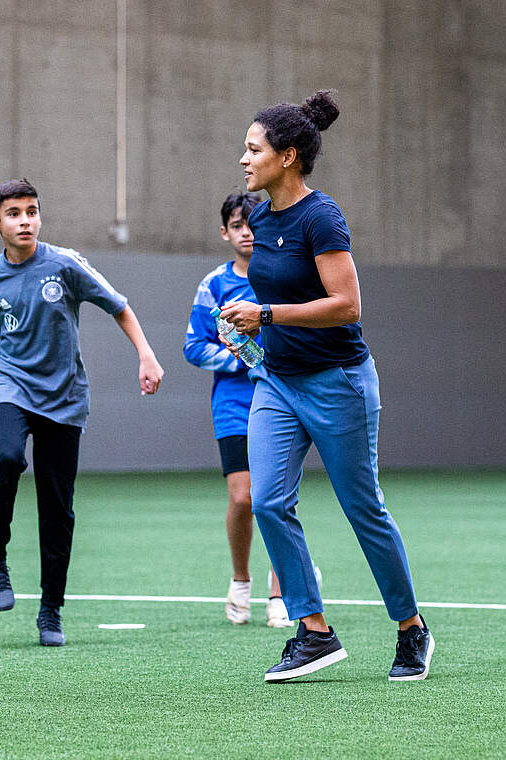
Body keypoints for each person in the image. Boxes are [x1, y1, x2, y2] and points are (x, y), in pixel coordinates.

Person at [222, 90, 432, 682]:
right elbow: (273, 288)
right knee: (266, 501)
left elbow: (346, 306)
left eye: (253, 148)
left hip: (338, 383)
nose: (244, 158)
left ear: (287, 157)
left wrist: (265, 316)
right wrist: (244, 316)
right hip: (277, 381)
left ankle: (411, 628)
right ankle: (313, 631)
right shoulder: (259, 217)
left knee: (362, 508)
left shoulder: (322, 216)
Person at [0, 178, 164, 646]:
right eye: (14, 213)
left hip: (63, 397)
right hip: (10, 384)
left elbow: (119, 306)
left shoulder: (65, 265)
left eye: (32, 211)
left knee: (57, 508)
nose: (26, 221)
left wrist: (146, 354)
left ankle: (50, 612)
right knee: (8, 458)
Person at [184, 192, 295, 628]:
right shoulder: (214, 284)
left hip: (285, 398)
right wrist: (243, 360)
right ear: (225, 232)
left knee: (278, 497)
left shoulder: (285, 276)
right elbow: (193, 346)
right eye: (237, 224)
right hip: (233, 404)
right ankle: (240, 579)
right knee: (243, 497)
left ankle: (282, 591)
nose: (247, 231)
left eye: (253, 223)